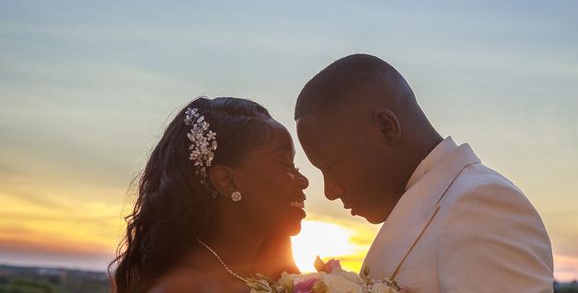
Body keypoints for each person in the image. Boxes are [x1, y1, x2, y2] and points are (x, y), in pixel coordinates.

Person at [295, 54, 554, 293]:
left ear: (386, 128)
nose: (330, 191)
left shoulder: (483, 204)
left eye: (331, 165)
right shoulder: (433, 208)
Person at [111, 97, 309, 293]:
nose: (304, 181)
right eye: (286, 164)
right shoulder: (183, 288)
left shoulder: (275, 276)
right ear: (227, 181)